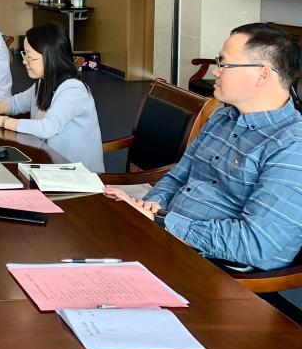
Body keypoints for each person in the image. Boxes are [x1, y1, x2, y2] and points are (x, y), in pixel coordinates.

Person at [104, 23, 302, 271]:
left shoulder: (291, 147)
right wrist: (151, 205)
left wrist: (161, 220)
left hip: (214, 266)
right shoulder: (223, 118)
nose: (216, 72)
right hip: (168, 237)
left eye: (224, 64)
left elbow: (255, 245)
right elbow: (178, 176)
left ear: (262, 74)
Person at [0, 22, 103, 171]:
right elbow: (15, 103)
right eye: (24, 54)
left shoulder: (73, 90)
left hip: (77, 174)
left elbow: (47, 128)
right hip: (49, 163)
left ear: (51, 57)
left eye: (31, 57)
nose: (24, 61)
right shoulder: (44, 82)